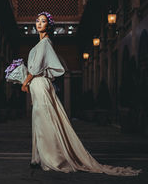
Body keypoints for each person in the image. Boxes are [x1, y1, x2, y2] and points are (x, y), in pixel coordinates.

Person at [21, 12, 141, 176]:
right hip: (38, 85)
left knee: (45, 121)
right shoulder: (41, 44)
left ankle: (53, 158)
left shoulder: (45, 44)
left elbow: (34, 69)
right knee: (38, 120)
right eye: (37, 21)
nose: (39, 23)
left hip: (40, 85)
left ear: (48, 25)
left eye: (43, 21)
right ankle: (38, 157)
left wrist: (25, 81)